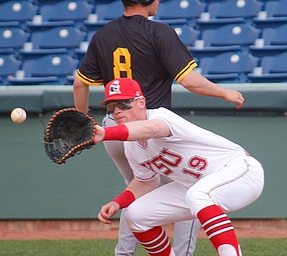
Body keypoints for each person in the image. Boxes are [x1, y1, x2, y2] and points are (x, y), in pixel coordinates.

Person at [73, 0, 244, 255]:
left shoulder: (103, 34)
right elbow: (189, 81)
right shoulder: (159, 31)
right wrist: (224, 92)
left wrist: (84, 120)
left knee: (138, 193)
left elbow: (79, 84)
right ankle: (184, 252)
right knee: (190, 187)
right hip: (151, 126)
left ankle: (123, 253)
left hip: (114, 127)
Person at [95, 78, 264, 256]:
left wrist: (105, 133)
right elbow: (146, 182)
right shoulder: (131, 146)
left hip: (240, 172)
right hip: (197, 185)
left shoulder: (160, 116)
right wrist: (117, 203)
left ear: (141, 102)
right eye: (111, 107)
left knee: (198, 194)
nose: (117, 111)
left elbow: (152, 130)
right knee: (136, 215)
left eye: (123, 104)